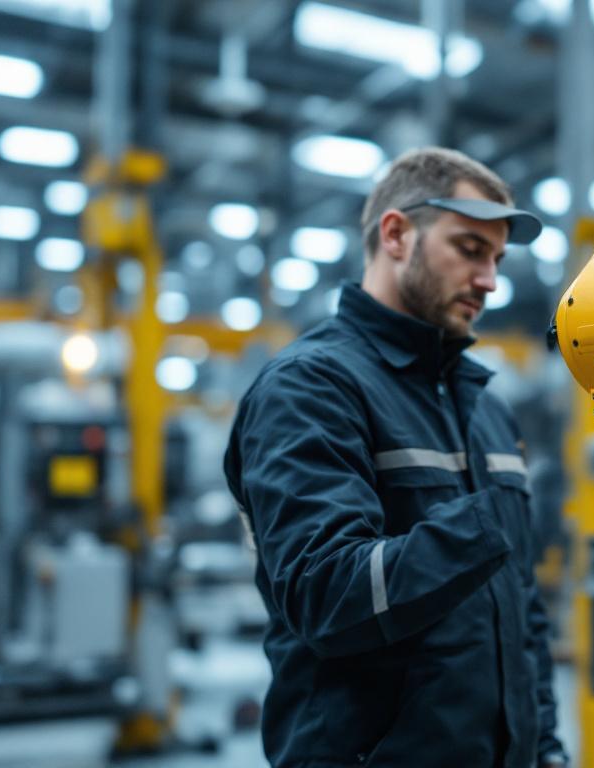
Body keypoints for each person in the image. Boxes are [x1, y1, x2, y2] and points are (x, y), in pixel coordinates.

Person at [224, 147, 568, 768]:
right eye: (469, 249)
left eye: (496, 258)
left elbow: (524, 614)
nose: (490, 281)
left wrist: (544, 746)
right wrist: (480, 526)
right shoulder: (310, 388)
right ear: (397, 234)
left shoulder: (486, 406)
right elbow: (324, 593)